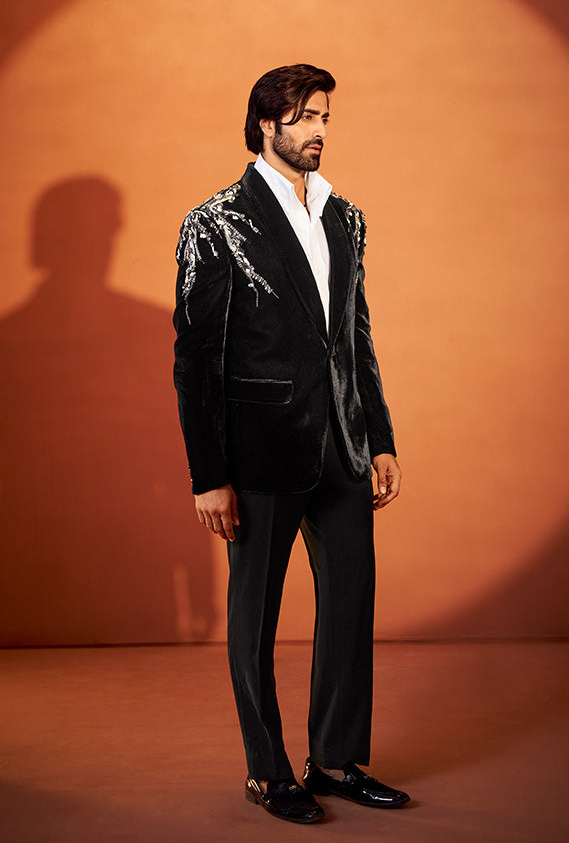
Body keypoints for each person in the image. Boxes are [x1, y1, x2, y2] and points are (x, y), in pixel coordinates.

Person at [173, 63, 410, 824]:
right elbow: (195, 360)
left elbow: (355, 337)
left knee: (349, 603)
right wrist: (208, 475)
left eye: (324, 117)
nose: (319, 131)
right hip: (260, 452)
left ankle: (335, 761)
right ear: (266, 124)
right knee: (256, 616)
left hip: (342, 444)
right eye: (306, 117)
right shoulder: (216, 222)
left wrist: (378, 436)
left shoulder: (346, 216)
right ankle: (268, 772)